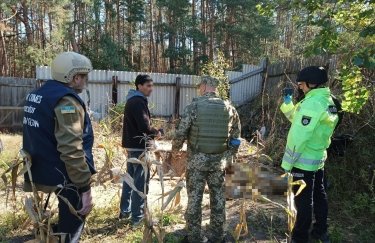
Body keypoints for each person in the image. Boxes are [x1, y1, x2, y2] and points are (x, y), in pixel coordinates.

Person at [22, 52, 96, 242]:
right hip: (66, 175)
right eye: (84, 76)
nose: (86, 81)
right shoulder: (66, 101)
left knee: (60, 226)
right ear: (74, 77)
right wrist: (84, 187)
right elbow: (71, 148)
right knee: (72, 227)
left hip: (41, 168)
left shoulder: (39, 94)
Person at [172, 76, 241, 243]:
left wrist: (175, 149)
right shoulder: (229, 108)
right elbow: (236, 137)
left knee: (195, 198)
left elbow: (181, 131)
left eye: (199, 86)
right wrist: (229, 155)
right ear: (215, 88)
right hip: (219, 163)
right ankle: (218, 236)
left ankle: (194, 236)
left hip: (197, 163)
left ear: (203, 86)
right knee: (218, 199)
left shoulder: (193, 106)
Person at [280, 66, 339, 243]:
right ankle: (321, 231)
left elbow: (299, 135)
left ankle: (300, 237)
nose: (299, 87)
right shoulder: (328, 101)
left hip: (303, 162)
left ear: (311, 84)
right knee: (319, 194)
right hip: (318, 159)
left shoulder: (312, 103)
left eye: (301, 84)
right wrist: (287, 102)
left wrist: (287, 164)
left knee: (303, 201)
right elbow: (299, 120)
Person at [120, 74, 161, 226]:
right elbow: (144, 127)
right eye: (148, 86)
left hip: (133, 146)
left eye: (152, 85)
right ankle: (137, 218)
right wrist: (157, 132)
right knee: (140, 183)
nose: (151, 89)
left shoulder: (133, 100)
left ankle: (125, 212)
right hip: (140, 148)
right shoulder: (138, 102)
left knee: (129, 180)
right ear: (139, 86)